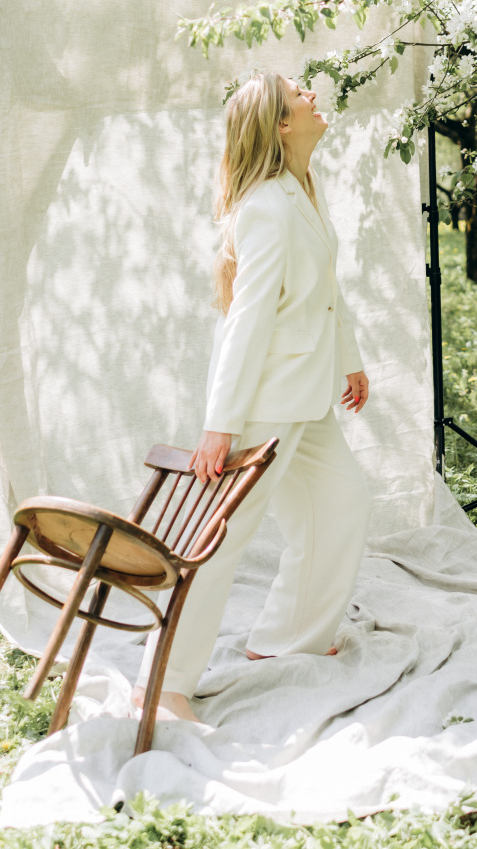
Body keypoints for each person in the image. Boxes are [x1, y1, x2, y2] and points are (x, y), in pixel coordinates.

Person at [132, 70, 372, 724]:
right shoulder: (265, 207)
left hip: (308, 392)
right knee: (219, 542)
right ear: (281, 124)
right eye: (301, 94)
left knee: (343, 501)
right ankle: (162, 684)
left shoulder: (298, 191)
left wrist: (347, 361)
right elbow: (247, 317)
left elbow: (323, 290)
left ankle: (286, 638)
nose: (315, 96)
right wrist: (220, 425)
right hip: (265, 401)